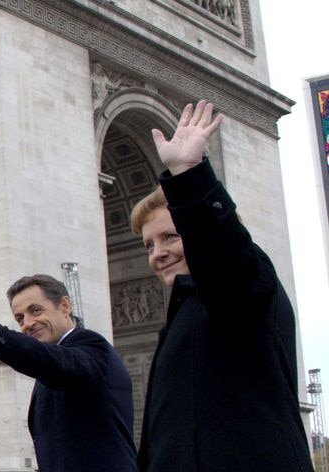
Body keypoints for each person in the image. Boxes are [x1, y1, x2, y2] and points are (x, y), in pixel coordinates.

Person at [131, 100, 314, 471]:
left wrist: (188, 178)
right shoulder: (187, 311)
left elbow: (224, 258)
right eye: (149, 244)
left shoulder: (242, 285)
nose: (158, 254)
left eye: (170, 237)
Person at [0, 273, 137, 472]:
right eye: (20, 318)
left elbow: (46, 359)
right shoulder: (49, 366)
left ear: (65, 306)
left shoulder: (93, 348)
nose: (27, 323)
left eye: (35, 310)